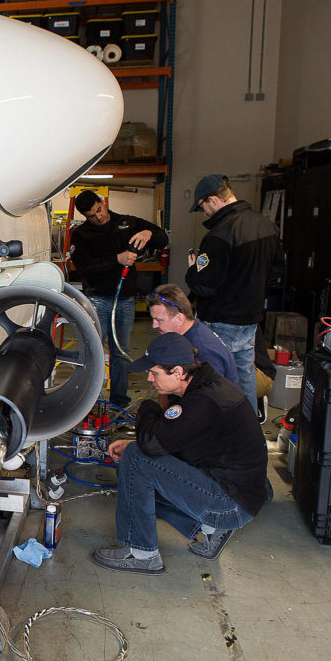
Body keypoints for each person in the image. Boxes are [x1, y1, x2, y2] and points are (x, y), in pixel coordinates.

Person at [90, 333, 268, 575]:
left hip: (230, 504)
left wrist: (149, 406)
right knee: (138, 463)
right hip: (240, 491)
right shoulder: (204, 385)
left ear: (177, 372)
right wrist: (137, 440)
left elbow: (151, 445)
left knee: (135, 458)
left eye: (155, 374)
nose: (149, 379)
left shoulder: (203, 401)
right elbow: (174, 438)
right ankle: (209, 528)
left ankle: (141, 553)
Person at [185, 174, 285, 405]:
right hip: (250, 319)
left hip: (221, 320)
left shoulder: (219, 235)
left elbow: (203, 286)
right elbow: (277, 272)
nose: (205, 213)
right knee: (245, 373)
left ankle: (221, 431)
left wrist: (192, 270)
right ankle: (247, 427)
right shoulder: (267, 225)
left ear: (213, 200)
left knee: (216, 378)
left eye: (202, 207)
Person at [69, 190, 168, 407]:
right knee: (92, 352)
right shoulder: (81, 235)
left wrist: (148, 234)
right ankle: (87, 401)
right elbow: (84, 267)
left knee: (120, 353)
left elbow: (163, 238)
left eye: (99, 210)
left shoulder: (126, 223)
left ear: (102, 203)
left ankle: (118, 403)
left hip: (125, 300)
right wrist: (117, 259)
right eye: (91, 216)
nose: (98, 217)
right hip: (98, 300)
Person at [146, 283, 237, 385]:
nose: (154, 325)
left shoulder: (203, 350)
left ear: (179, 319)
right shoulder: (187, 332)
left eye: (159, 320)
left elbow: (214, 396)